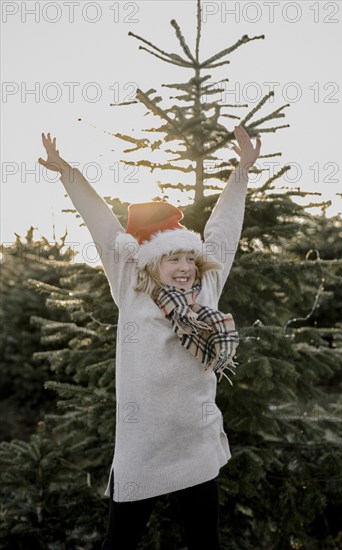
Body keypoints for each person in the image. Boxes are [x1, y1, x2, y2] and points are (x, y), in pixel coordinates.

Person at [38, 126, 261, 549]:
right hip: (142, 448)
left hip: (195, 444)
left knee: (204, 542)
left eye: (188, 259)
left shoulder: (204, 294)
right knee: (119, 542)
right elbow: (103, 225)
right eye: (172, 258)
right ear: (150, 262)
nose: (184, 268)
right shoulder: (131, 287)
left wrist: (241, 171)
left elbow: (223, 232)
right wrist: (67, 172)